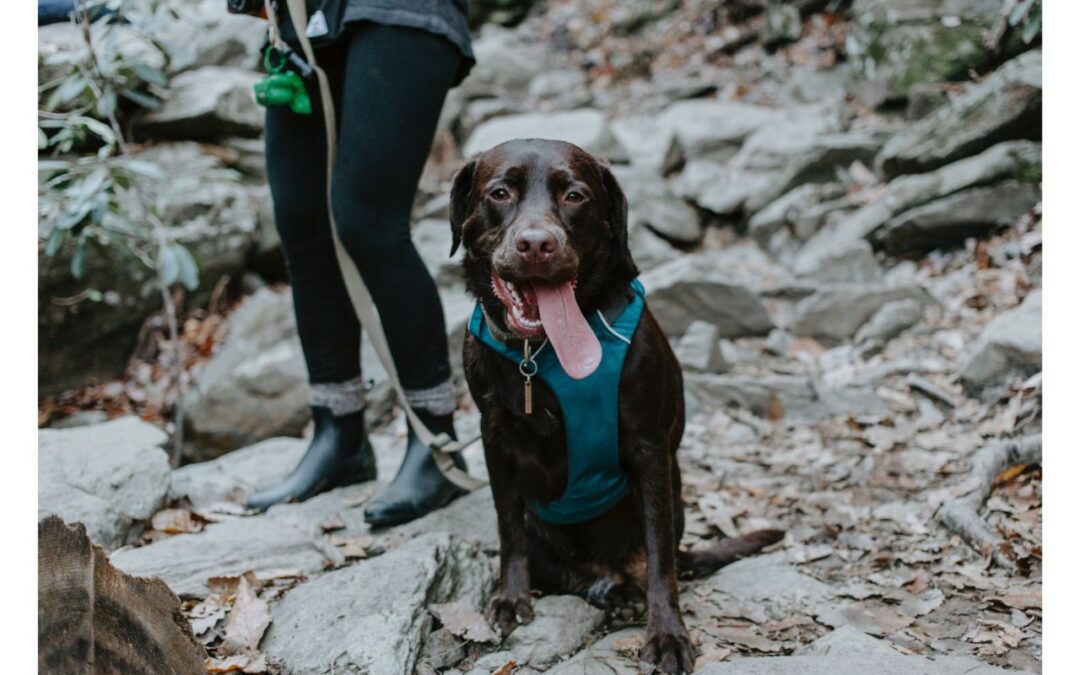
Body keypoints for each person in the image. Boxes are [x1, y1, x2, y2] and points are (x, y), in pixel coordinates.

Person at [245, 0, 475, 527]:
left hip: (399, 11)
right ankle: (339, 433)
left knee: (367, 222)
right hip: (299, 21)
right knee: (305, 228)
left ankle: (434, 441)